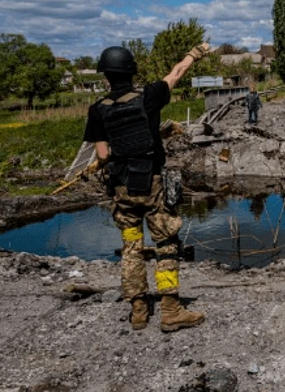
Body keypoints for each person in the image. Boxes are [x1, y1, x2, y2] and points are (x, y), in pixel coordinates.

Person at [83, 42, 210, 332]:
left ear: (106, 77)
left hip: (121, 189)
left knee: (131, 247)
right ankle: (170, 310)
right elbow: (175, 74)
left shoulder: (97, 110)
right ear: (132, 72)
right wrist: (193, 53)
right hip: (151, 185)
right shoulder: (149, 97)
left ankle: (139, 311)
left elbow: (102, 156)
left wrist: (113, 156)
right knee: (166, 245)